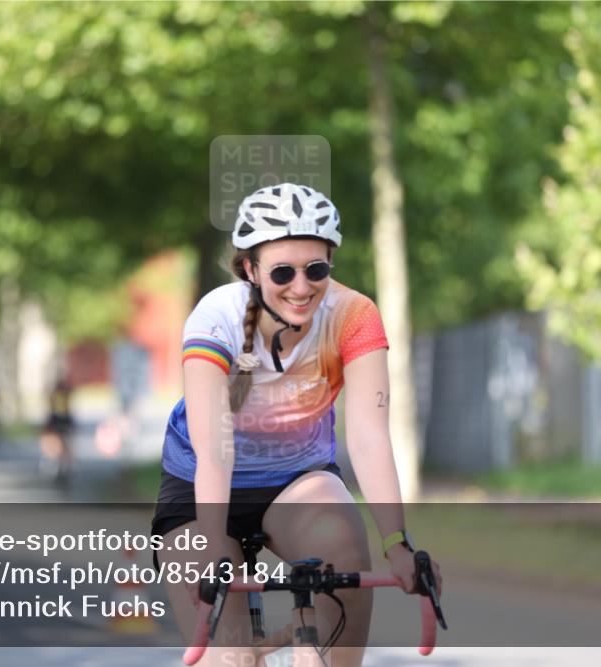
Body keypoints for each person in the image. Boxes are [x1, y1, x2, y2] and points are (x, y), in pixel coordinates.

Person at [151, 183, 442, 666]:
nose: (302, 287)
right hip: (202, 483)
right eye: (283, 272)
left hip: (299, 480)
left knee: (343, 554)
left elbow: (368, 439)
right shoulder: (216, 316)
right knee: (231, 657)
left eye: (317, 269)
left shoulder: (353, 315)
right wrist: (210, 551)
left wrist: (398, 544)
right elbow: (215, 450)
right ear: (249, 268)